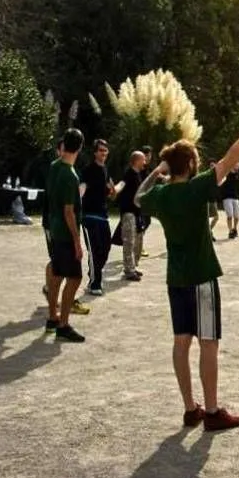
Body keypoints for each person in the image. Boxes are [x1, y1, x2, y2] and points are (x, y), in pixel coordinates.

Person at [136, 110, 239, 431]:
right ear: (191, 165)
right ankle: (212, 410)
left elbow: (138, 195)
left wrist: (156, 170)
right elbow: (231, 158)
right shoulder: (196, 189)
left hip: (176, 279)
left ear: (171, 167)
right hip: (201, 277)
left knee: (181, 343)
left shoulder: (159, 194)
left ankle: (190, 408)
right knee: (209, 342)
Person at [43, 130, 87, 343]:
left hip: (54, 229)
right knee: (75, 278)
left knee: (57, 275)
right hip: (65, 234)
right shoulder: (71, 175)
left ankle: (53, 317)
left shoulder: (54, 166)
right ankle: (63, 325)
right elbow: (68, 211)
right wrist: (77, 241)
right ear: (80, 147)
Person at [79, 139, 115, 296]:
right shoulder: (88, 170)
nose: (104, 153)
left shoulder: (105, 170)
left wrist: (112, 190)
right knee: (94, 250)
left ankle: (94, 276)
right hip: (89, 216)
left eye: (105, 150)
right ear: (95, 152)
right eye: (101, 150)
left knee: (106, 248)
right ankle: (95, 283)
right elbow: (82, 188)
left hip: (103, 216)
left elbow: (109, 191)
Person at [114, 150, 147, 281]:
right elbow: (121, 184)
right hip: (128, 212)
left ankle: (133, 267)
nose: (145, 162)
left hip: (137, 213)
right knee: (129, 242)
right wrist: (115, 189)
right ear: (137, 160)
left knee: (137, 241)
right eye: (143, 159)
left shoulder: (138, 174)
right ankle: (129, 271)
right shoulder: (129, 174)